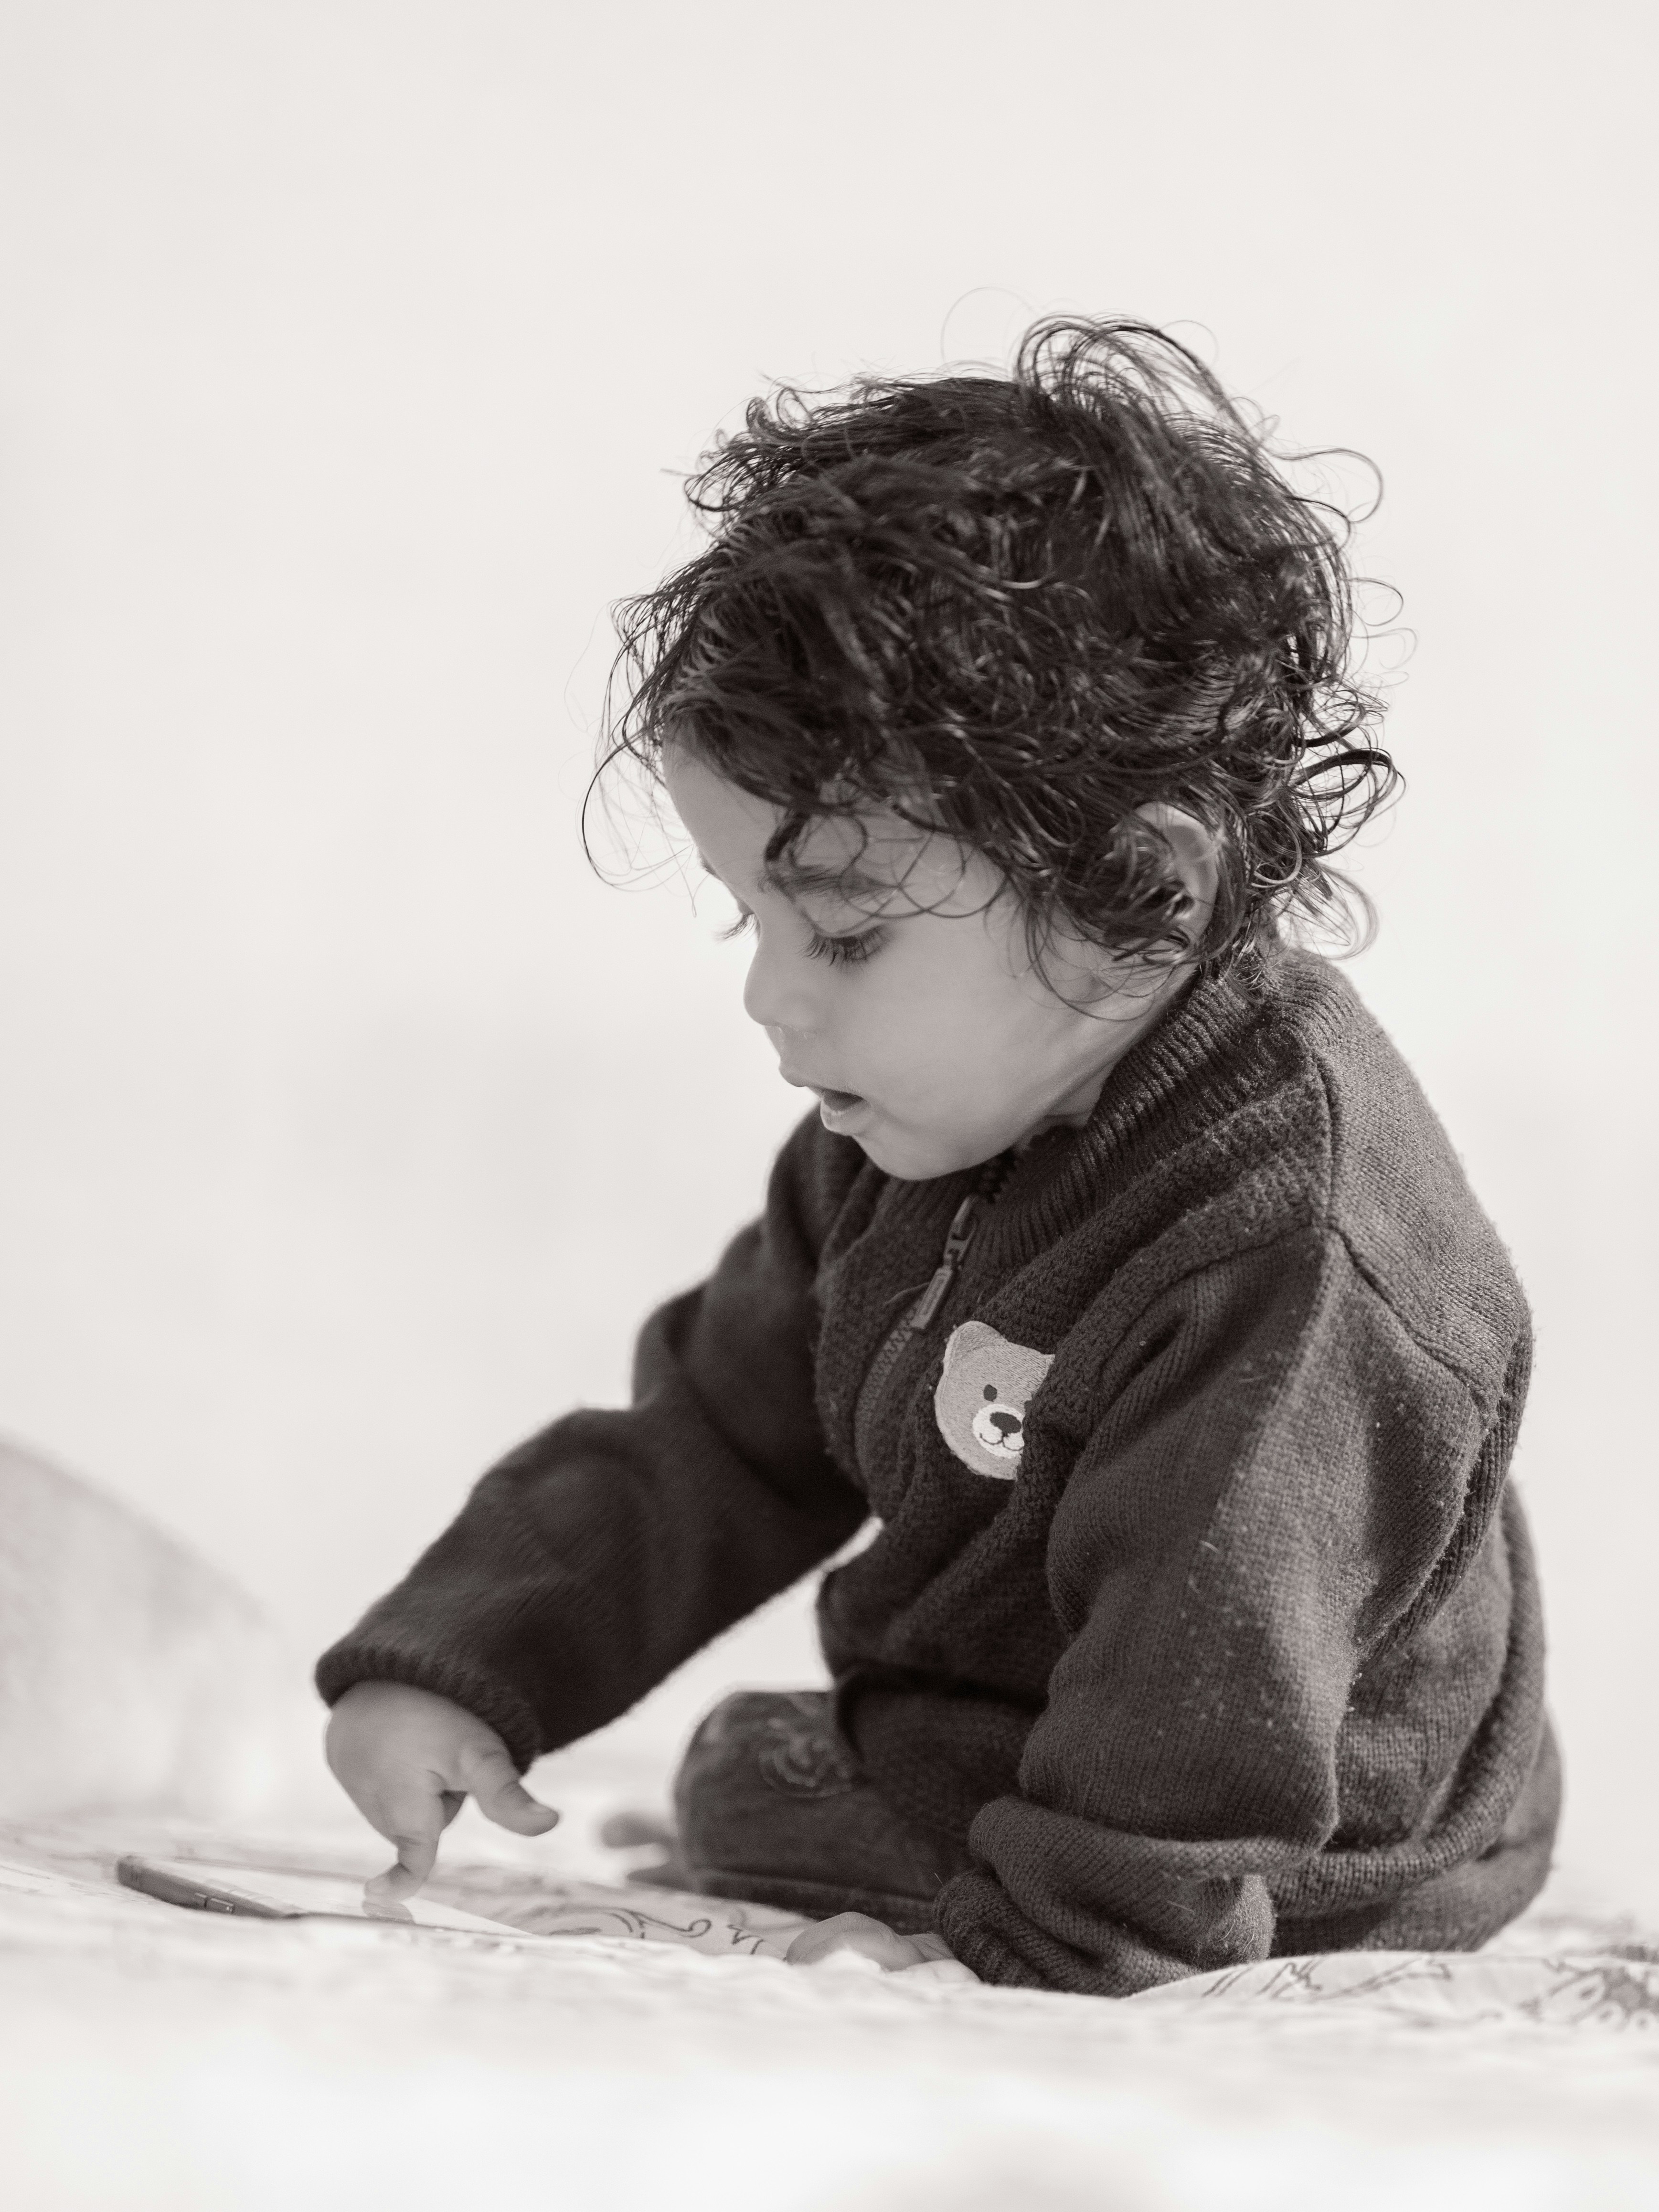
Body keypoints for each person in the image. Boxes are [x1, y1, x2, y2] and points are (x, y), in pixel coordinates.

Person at [317, 320, 1558, 1995]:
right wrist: (469, 1656)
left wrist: (1043, 1950)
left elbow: (1223, 1683)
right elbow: (718, 1432)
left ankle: (1054, 1887)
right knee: (756, 1765)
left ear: (1143, 892)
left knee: (764, 1777)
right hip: (1030, 1705)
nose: (769, 1001)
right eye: (746, 917)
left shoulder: (1290, 1250)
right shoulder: (914, 1125)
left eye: (840, 937)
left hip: (1303, 1827)